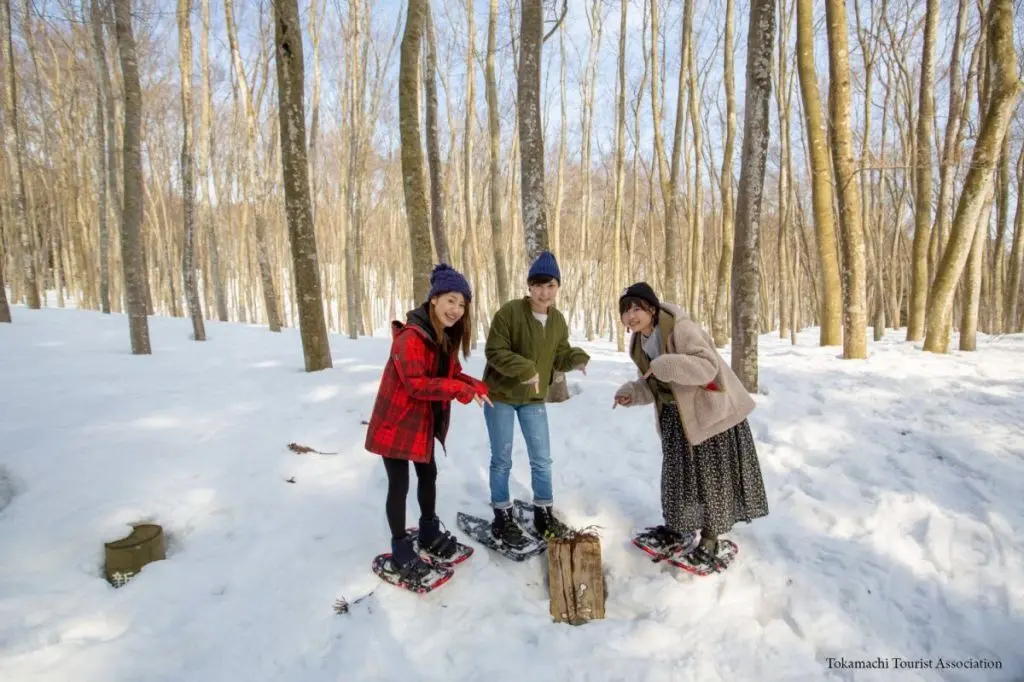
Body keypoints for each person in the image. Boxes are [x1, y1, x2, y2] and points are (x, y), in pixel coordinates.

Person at [613, 281, 769, 571]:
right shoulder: (638, 342)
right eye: (626, 311)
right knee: (677, 477)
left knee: (711, 478)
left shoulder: (680, 328)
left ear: (651, 308)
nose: (631, 316)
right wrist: (633, 392)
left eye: (637, 308)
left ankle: (711, 539)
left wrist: (666, 364)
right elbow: (653, 383)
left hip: (709, 413)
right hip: (675, 417)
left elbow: (707, 367)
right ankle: (677, 529)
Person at [365, 264, 492, 582]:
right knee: (399, 485)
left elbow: (449, 374)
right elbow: (417, 385)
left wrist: (472, 384)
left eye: (462, 304)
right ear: (434, 299)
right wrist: (459, 390)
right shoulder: (410, 338)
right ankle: (400, 549)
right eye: (451, 300)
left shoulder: (443, 336)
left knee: (428, 475)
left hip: (419, 423)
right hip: (395, 424)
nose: (456, 310)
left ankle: (428, 531)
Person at [482, 250, 590, 545]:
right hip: (501, 395)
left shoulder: (557, 321)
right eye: (539, 285)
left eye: (550, 285)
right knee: (502, 459)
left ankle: (544, 512)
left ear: (558, 287)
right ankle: (502, 516)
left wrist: (577, 358)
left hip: (533, 399)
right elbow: (494, 351)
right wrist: (525, 368)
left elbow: (559, 355)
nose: (545, 292)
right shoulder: (509, 312)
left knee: (542, 460)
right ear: (529, 286)